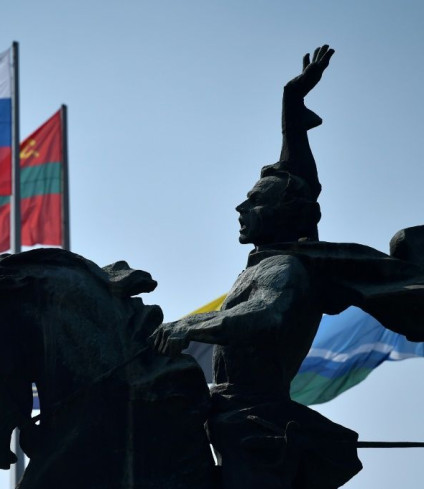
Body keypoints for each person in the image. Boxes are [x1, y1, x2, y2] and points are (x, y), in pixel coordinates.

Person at [152, 45, 424, 489]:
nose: (242, 206)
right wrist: (291, 106)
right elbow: (295, 168)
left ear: (287, 212)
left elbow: (266, 316)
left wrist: (193, 325)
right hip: (223, 407)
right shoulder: (266, 261)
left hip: (255, 418)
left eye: (256, 200)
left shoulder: (286, 269)